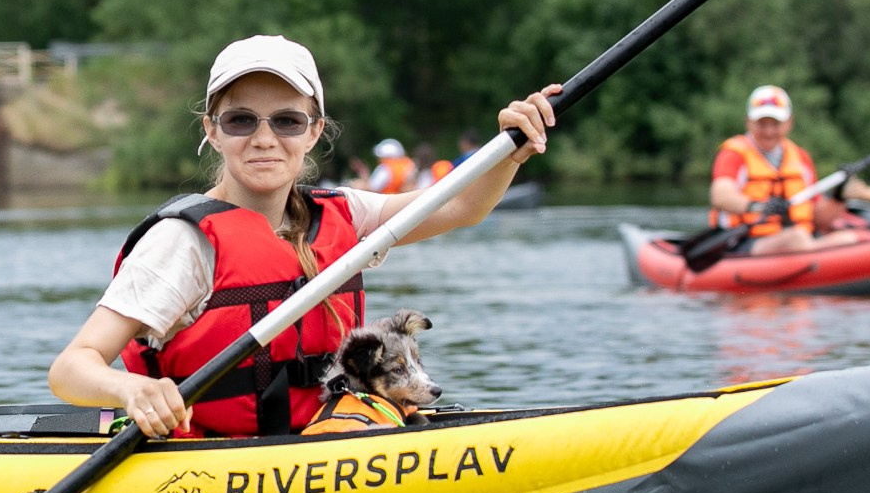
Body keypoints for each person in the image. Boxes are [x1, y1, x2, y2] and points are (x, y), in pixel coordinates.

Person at [46, 36, 558, 439]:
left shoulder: (346, 215)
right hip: (216, 463)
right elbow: (71, 368)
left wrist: (510, 147)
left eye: (287, 120)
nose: (264, 138)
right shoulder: (183, 243)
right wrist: (132, 389)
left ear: (314, 130)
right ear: (212, 129)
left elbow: (462, 205)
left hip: (326, 443)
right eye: (241, 119)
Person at [704, 86, 868, 256]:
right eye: (762, 123)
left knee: (847, 238)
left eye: (775, 124)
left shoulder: (800, 157)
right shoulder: (733, 154)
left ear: (789, 122)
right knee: (796, 238)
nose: (769, 131)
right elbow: (721, 196)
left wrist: (838, 197)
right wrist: (761, 207)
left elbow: (821, 219)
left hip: (798, 240)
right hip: (742, 242)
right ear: (748, 121)